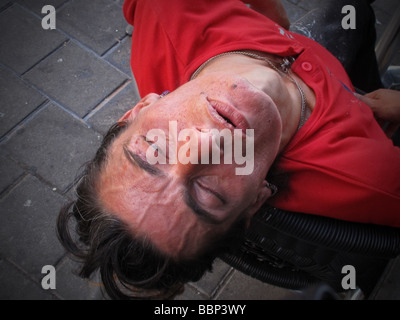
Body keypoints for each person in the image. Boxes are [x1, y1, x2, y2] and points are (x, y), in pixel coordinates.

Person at [57, 0, 400, 299]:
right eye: (208, 192)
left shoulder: (167, 12)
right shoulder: (373, 178)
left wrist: (271, 13)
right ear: (256, 200)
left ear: (139, 110)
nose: (207, 143)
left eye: (155, 150)